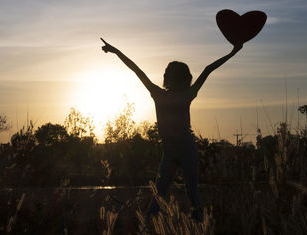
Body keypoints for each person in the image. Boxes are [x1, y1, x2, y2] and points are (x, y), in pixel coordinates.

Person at [100, 37, 243, 222]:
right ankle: (155, 225)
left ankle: (186, 225)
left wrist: (115, 51)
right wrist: (233, 52)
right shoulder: (183, 94)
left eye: (167, 72)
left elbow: (136, 69)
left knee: (180, 193)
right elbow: (208, 69)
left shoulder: (162, 94)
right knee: (170, 193)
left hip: (181, 149)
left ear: (171, 77)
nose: (165, 74)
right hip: (174, 150)